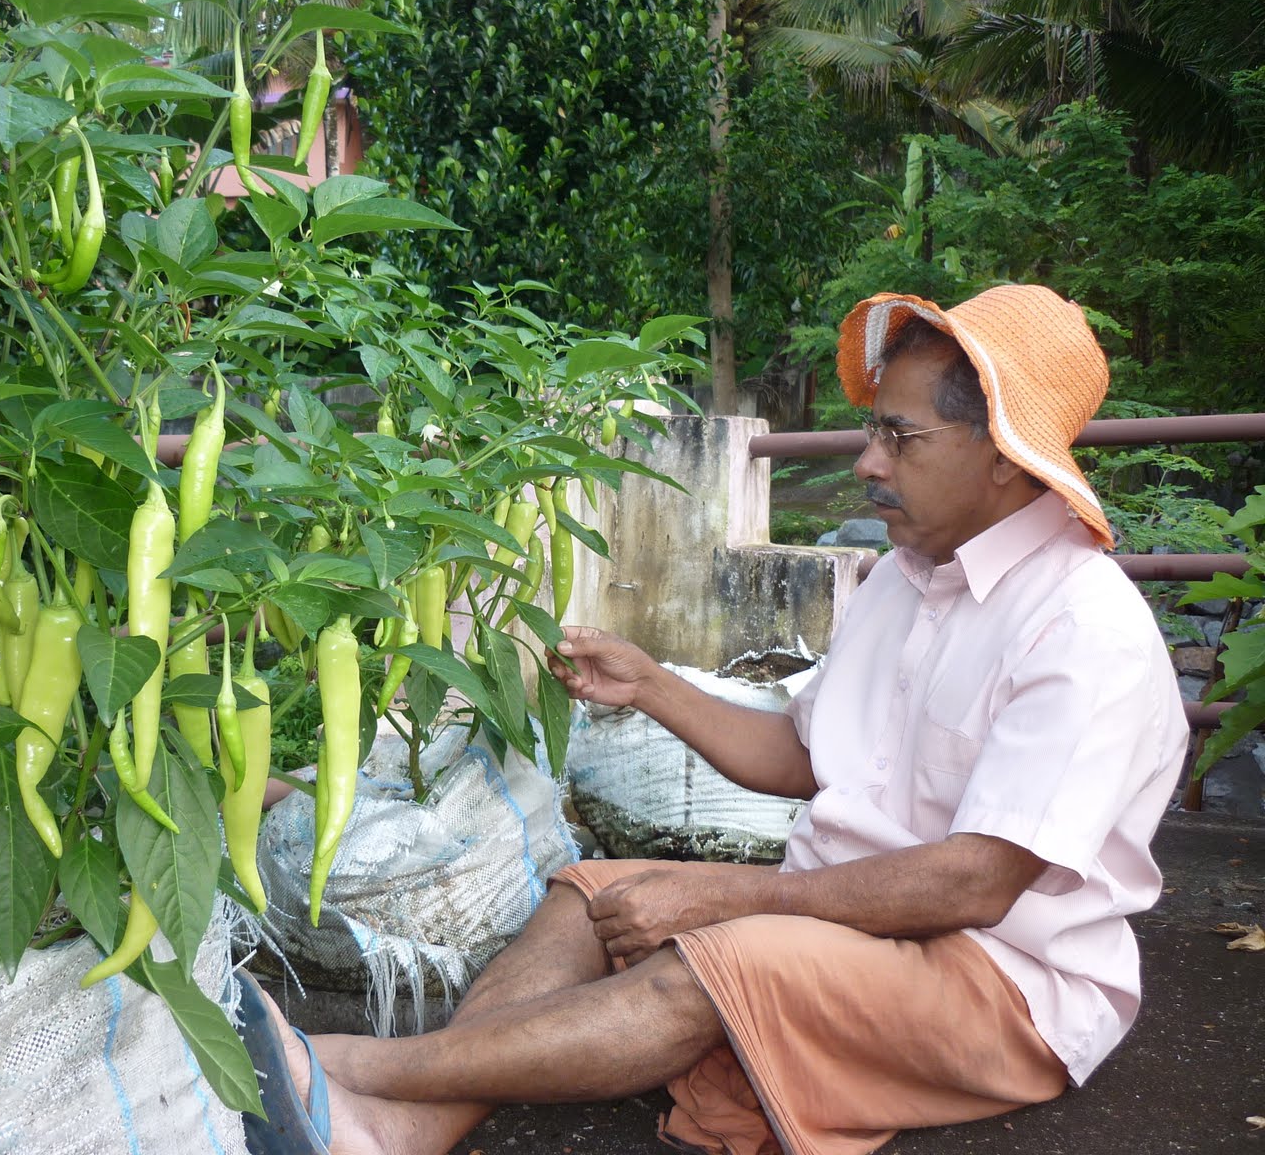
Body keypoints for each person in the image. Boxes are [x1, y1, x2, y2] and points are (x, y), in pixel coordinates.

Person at [235, 284, 1190, 1155]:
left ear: (1004, 454)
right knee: (589, 894)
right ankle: (396, 1129)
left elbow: (979, 883)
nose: (867, 461)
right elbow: (804, 758)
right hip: (864, 927)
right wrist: (650, 685)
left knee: (714, 954)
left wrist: (723, 897)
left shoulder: (1083, 628)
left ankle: (340, 1068)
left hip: (1004, 985)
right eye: (873, 433)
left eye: (900, 439)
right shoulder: (907, 582)